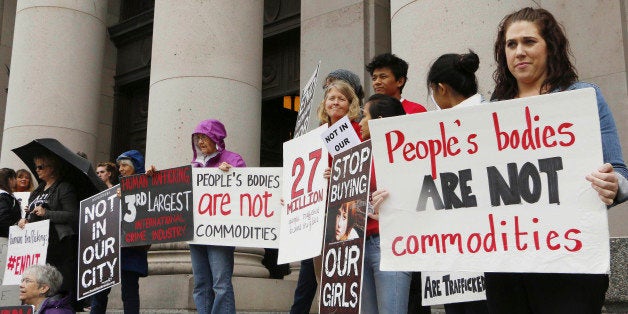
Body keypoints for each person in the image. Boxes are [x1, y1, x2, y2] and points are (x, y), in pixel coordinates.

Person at [484, 7, 628, 313]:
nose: (519, 52)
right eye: (511, 44)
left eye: (529, 42)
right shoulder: (490, 112)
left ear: (550, 46)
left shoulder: (584, 97)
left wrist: (613, 186)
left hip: (571, 263)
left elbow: (619, 171)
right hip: (506, 264)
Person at [426, 51, 489, 314]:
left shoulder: (486, 118)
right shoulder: (494, 115)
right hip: (456, 248)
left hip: (476, 248)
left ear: (440, 89)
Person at [358, 93, 415, 314]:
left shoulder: (408, 154)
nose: (360, 122)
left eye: (364, 116)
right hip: (361, 245)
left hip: (391, 244)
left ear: (379, 120)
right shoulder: (358, 155)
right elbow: (353, 204)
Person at [189, 119, 245, 314]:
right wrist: (154, 177)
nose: (200, 142)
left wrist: (232, 174)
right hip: (196, 231)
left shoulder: (233, 160)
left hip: (220, 231)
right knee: (201, 283)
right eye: (197, 138)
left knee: (221, 283)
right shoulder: (194, 166)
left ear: (216, 138)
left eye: (204, 137)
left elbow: (248, 190)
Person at [18, 153, 80, 310]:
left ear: (52, 169)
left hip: (58, 245)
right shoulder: (37, 190)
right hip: (38, 244)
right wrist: (24, 220)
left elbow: (73, 215)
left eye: (41, 166)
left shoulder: (64, 188)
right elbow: (30, 214)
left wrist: (47, 213)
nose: (37, 170)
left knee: (57, 284)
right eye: (36, 167)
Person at [91, 150, 148, 314]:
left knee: (129, 291)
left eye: (124, 165)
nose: (121, 169)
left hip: (132, 247)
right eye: (119, 166)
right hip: (111, 247)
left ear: (135, 166)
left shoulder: (146, 185)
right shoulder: (115, 189)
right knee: (100, 290)